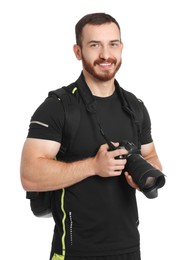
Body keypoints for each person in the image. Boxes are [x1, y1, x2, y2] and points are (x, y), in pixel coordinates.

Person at [20, 12, 162, 260]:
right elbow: (29, 175)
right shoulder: (58, 106)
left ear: (122, 48)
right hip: (74, 251)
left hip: (129, 249)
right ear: (78, 51)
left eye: (113, 44)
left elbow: (151, 157)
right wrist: (94, 166)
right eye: (94, 45)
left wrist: (139, 179)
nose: (106, 54)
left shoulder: (134, 106)